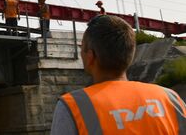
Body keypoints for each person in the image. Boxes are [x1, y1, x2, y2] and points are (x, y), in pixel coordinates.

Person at [51, 15, 185, 134]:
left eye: (82, 48)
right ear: (130, 54)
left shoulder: (73, 107)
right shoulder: (169, 98)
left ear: (91, 57)